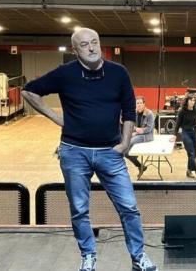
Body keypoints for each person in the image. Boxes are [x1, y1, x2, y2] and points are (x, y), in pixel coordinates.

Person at [21, 28, 156, 271]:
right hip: (74, 152)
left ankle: (138, 257)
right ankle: (88, 256)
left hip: (110, 152)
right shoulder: (65, 74)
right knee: (80, 209)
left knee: (129, 207)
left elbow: (129, 110)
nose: (92, 48)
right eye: (84, 45)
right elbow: (29, 90)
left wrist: (125, 144)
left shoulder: (118, 73)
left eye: (95, 42)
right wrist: (55, 117)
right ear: (75, 50)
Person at [174, 93, 196, 180]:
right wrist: (174, 135)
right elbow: (177, 124)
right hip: (186, 133)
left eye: (194, 100)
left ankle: (189, 171)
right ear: (187, 101)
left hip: (194, 133)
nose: (192, 102)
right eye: (191, 100)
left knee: (194, 154)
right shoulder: (182, 111)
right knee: (191, 153)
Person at [126, 96, 154, 179]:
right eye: (137, 103)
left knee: (129, 143)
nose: (139, 105)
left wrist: (136, 131)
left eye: (140, 103)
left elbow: (148, 129)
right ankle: (141, 166)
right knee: (125, 152)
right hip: (138, 134)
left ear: (144, 104)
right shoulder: (135, 113)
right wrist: (136, 131)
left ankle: (135, 159)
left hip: (147, 136)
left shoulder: (149, 114)